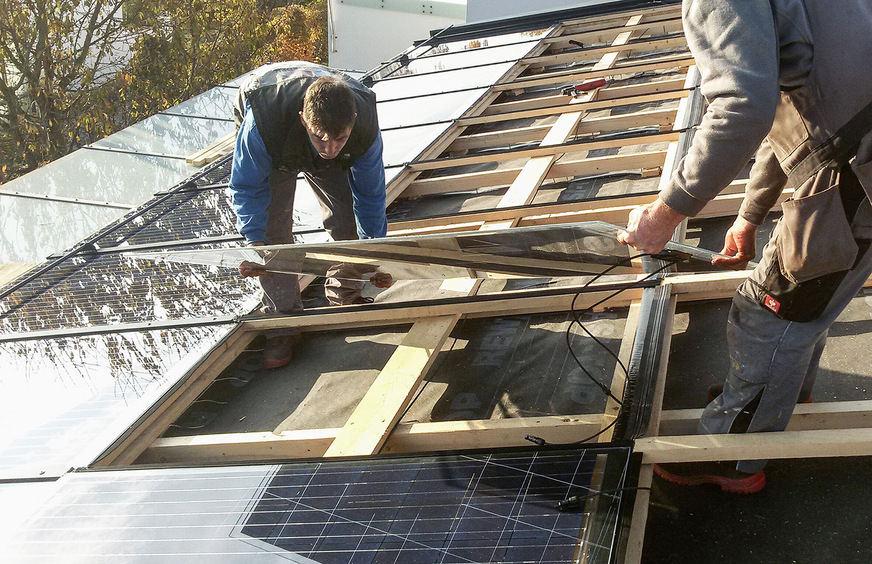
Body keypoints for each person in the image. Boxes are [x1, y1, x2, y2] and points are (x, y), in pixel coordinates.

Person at [617, 0, 872, 493]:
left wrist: (665, 211)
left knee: (767, 315)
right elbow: (802, 120)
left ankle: (735, 455)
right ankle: (781, 396)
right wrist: (748, 214)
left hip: (856, 180)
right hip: (857, 158)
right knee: (810, 302)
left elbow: (743, 106)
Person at [228, 61, 388, 369]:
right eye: (320, 139)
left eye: (339, 139)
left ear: (352, 122)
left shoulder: (364, 128)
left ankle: (345, 294)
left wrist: (376, 254)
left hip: (310, 124)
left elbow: (370, 195)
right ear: (304, 120)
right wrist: (256, 242)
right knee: (275, 236)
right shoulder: (262, 125)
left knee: (346, 221)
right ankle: (283, 324)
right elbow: (247, 186)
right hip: (276, 135)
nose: (329, 148)